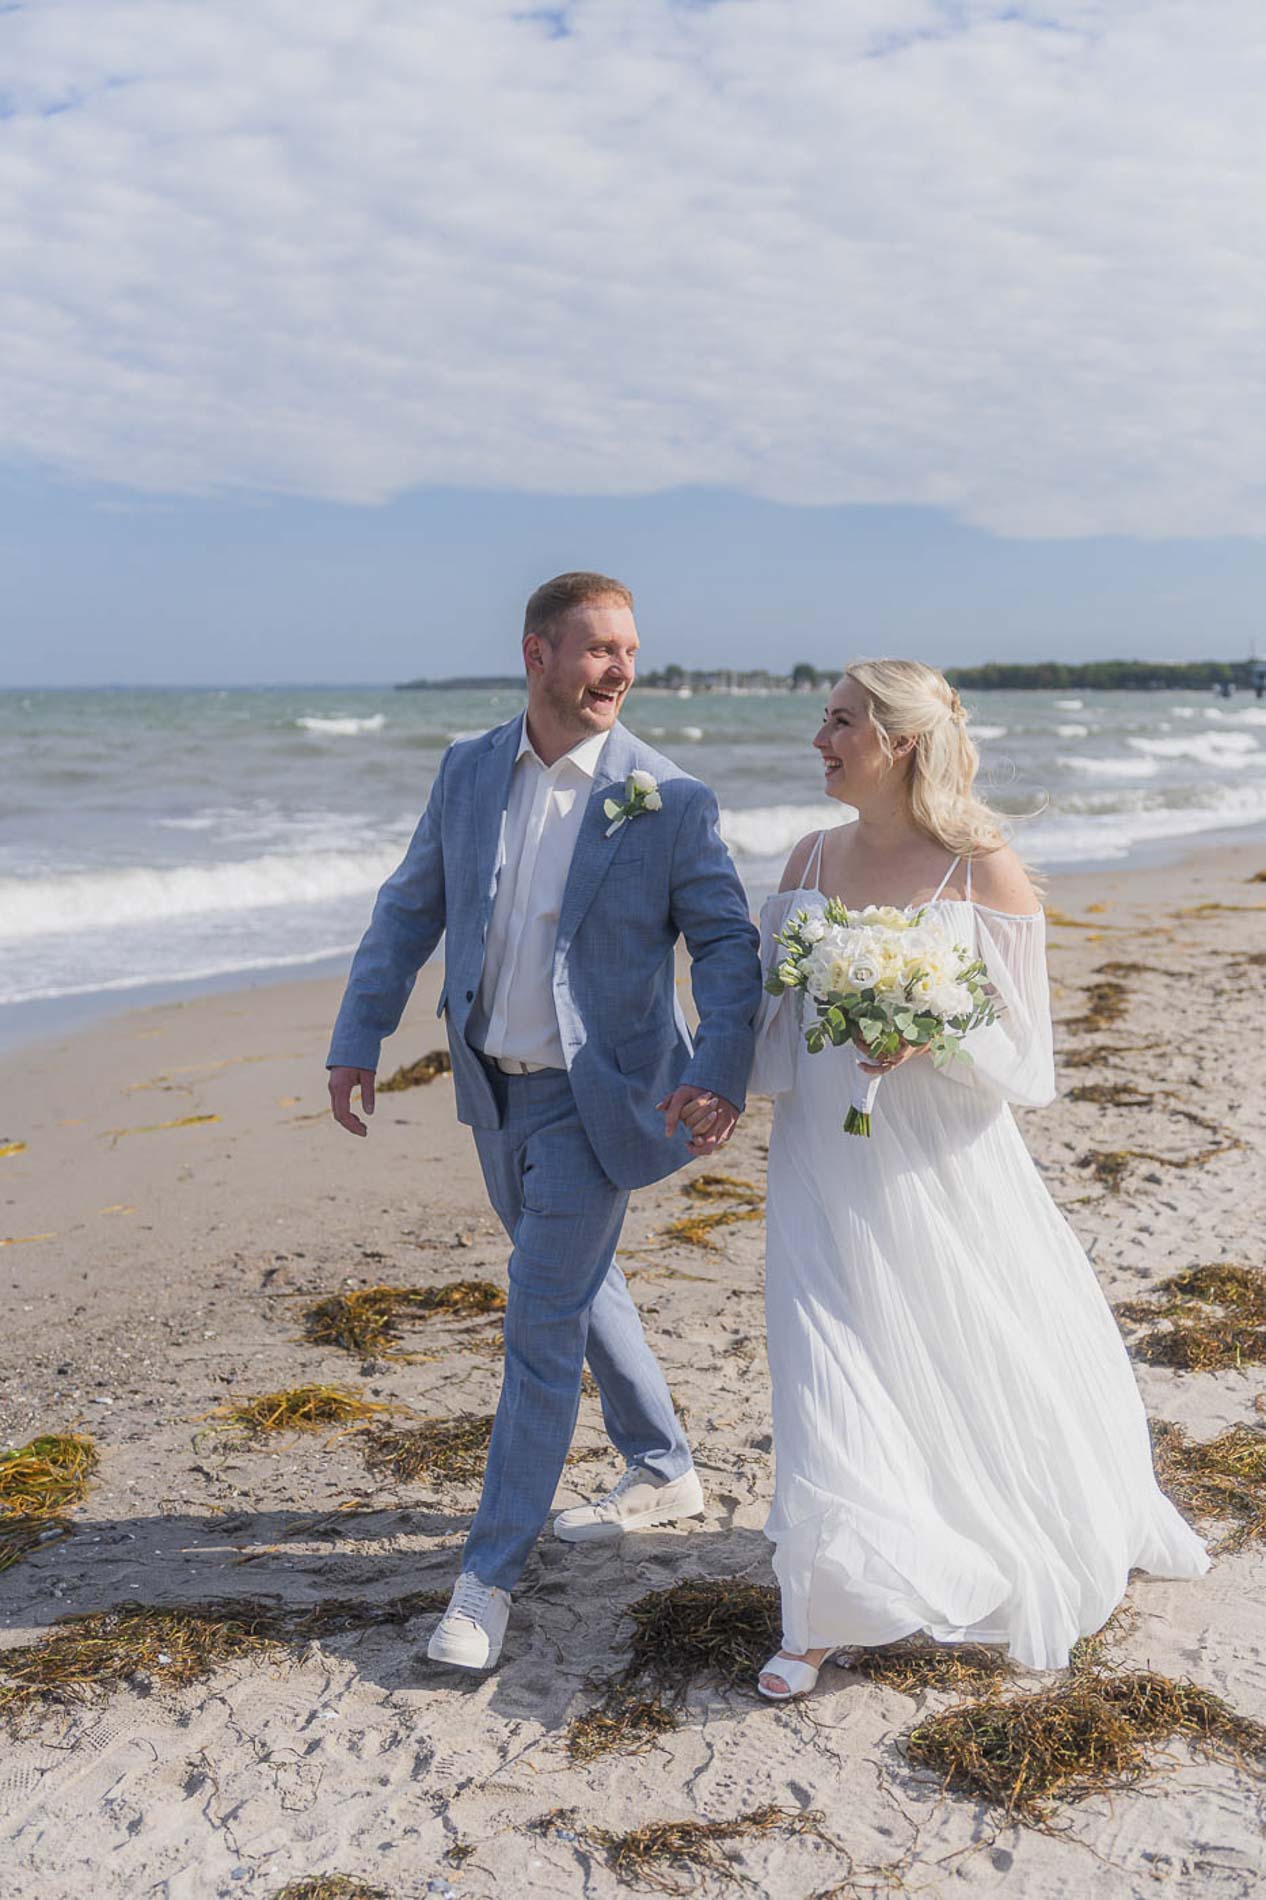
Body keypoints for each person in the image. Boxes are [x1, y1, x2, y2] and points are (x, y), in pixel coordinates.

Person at [327, 571, 763, 1671]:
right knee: (570, 1275)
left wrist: (718, 1067)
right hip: (491, 1086)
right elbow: (410, 904)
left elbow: (726, 945)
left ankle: (487, 1579)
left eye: (629, 650)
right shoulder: (470, 770)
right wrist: (357, 1034)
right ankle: (664, 1464)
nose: (619, 669)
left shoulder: (670, 799)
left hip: (597, 1099)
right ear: (537, 653)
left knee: (539, 1321)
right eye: (597, 649)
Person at [751, 659, 1209, 1699]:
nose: (818, 739)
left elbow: (1029, 1060)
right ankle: (820, 1611)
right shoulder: (809, 858)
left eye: (839, 721)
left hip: (943, 1164)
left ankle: (1000, 1524)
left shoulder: (979, 867)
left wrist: (931, 1036)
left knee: (965, 1348)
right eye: (823, 720)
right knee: (825, 1358)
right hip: (822, 1152)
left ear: (900, 742)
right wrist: (711, 1091)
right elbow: (771, 1020)